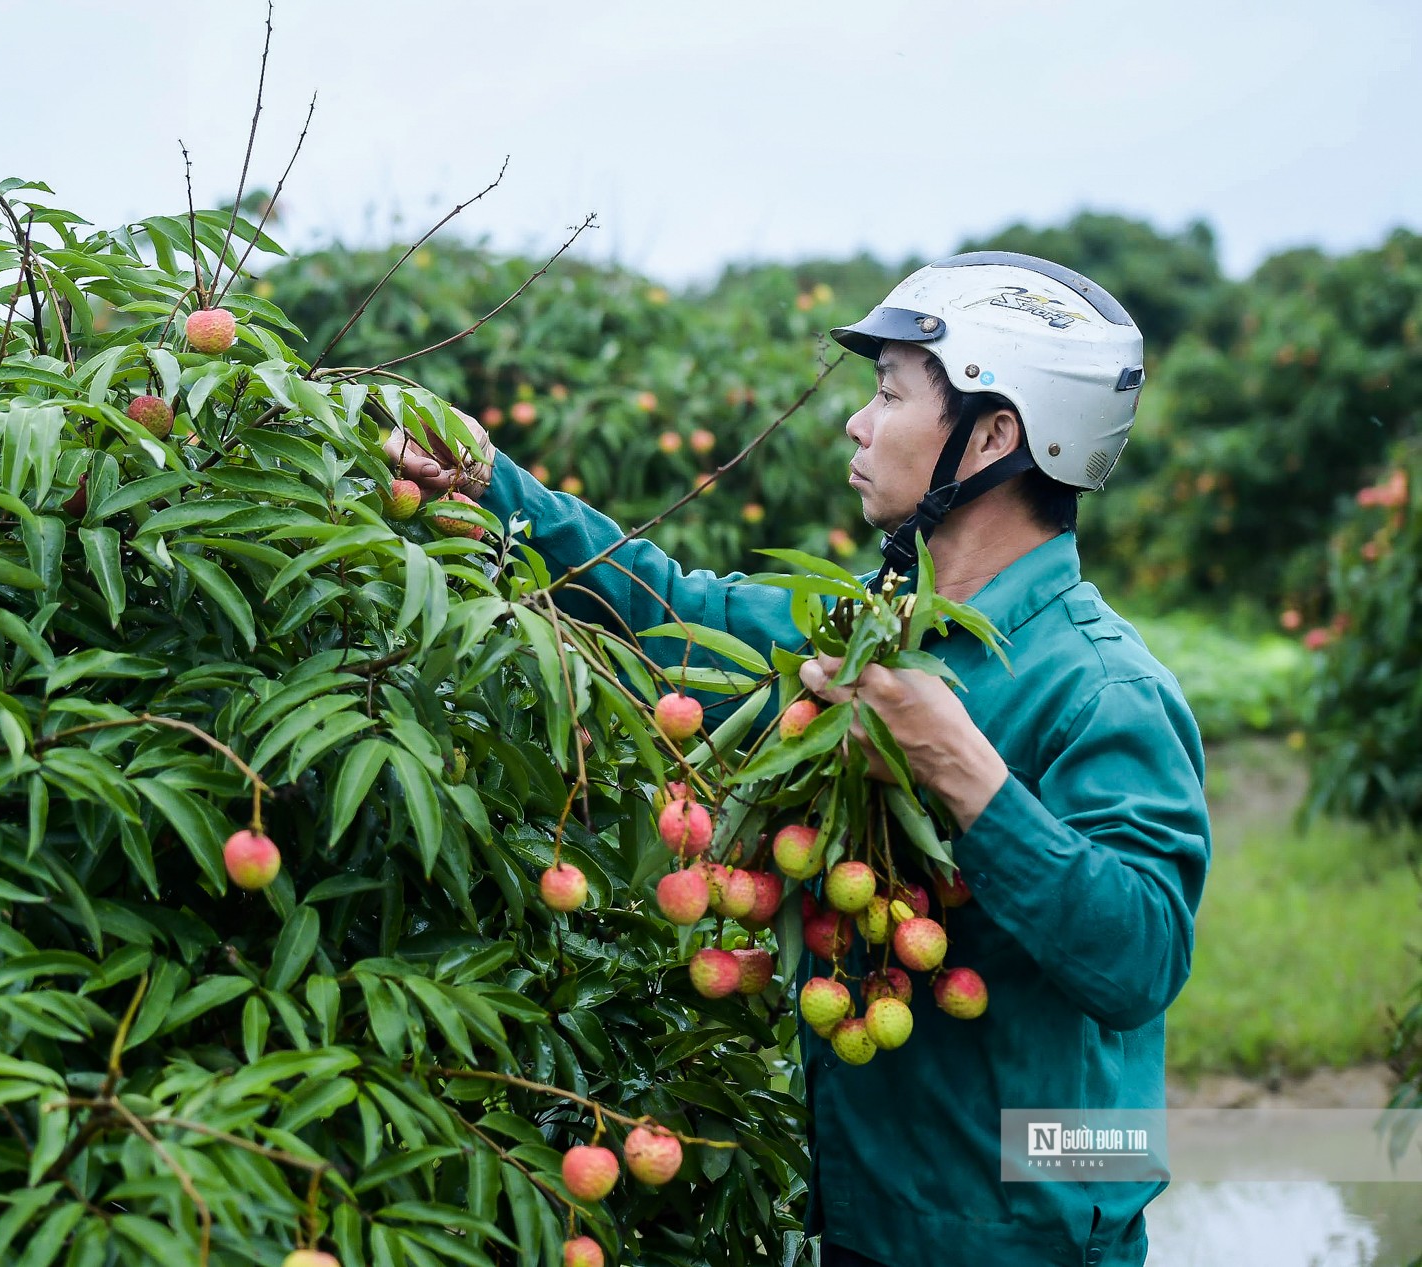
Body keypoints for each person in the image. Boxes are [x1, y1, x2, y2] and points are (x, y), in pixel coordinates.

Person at [384, 252, 1212, 1266]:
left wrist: (964, 773)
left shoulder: (1099, 687)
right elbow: (676, 612)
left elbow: (1141, 958)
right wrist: (491, 481)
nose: (857, 425)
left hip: (1029, 1238)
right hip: (860, 1219)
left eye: (888, 394)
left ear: (994, 435)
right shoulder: (863, 640)